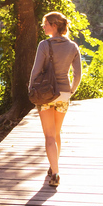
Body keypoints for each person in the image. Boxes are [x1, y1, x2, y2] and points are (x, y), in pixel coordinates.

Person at [28, 11, 82, 188]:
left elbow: (36, 71)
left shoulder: (44, 45)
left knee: (49, 136)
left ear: (54, 26)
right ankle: (53, 167)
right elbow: (77, 74)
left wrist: (31, 89)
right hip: (64, 94)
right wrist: (71, 90)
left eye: (45, 24)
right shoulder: (73, 46)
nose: (43, 26)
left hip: (45, 94)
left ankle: (56, 173)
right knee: (56, 133)